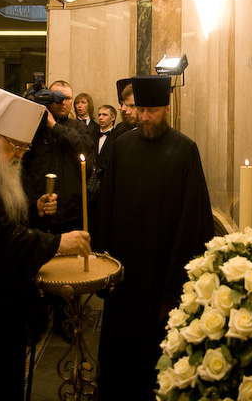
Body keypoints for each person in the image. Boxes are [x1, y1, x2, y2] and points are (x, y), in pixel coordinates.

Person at [92, 75, 214, 401]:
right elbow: (106, 206)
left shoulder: (185, 149)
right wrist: (103, 262)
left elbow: (193, 218)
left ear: (167, 109)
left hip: (162, 271)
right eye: (141, 110)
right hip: (123, 270)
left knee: (155, 359)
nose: (145, 117)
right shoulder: (122, 146)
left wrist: (177, 284)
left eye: (153, 111)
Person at [0, 88, 90, 401]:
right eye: (17, 146)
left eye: (25, 147)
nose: (21, 155)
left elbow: (8, 217)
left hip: (3, 301)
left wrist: (34, 210)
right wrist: (58, 243)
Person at [22, 79, 94, 340]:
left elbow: (84, 148)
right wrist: (34, 203)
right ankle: (36, 321)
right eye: (58, 97)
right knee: (39, 269)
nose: (65, 103)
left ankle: (66, 322)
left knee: (68, 273)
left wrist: (55, 126)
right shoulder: (33, 130)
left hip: (70, 211)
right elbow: (23, 170)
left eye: (68, 98)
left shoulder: (76, 127)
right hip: (40, 213)